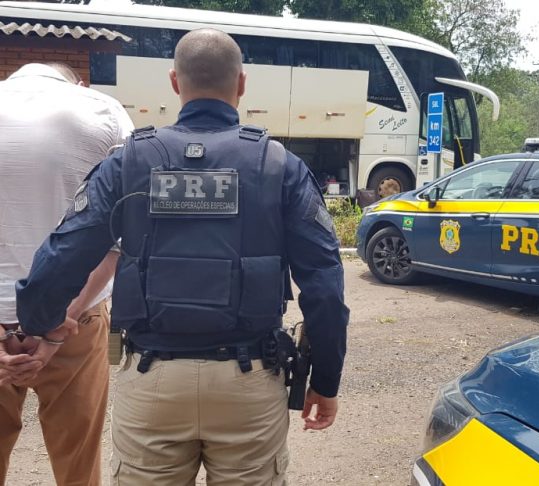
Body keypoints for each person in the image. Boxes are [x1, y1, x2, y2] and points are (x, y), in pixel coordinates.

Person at [16, 29, 349, 485]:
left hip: (152, 380)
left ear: (175, 82)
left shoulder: (127, 162)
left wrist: (39, 323)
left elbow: (65, 252)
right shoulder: (280, 165)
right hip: (249, 383)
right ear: (242, 83)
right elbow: (325, 286)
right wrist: (325, 382)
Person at [0, 62, 133, 485]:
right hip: (77, 320)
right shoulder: (104, 111)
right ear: (78, 82)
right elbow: (120, 234)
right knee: (79, 465)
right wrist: (62, 321)